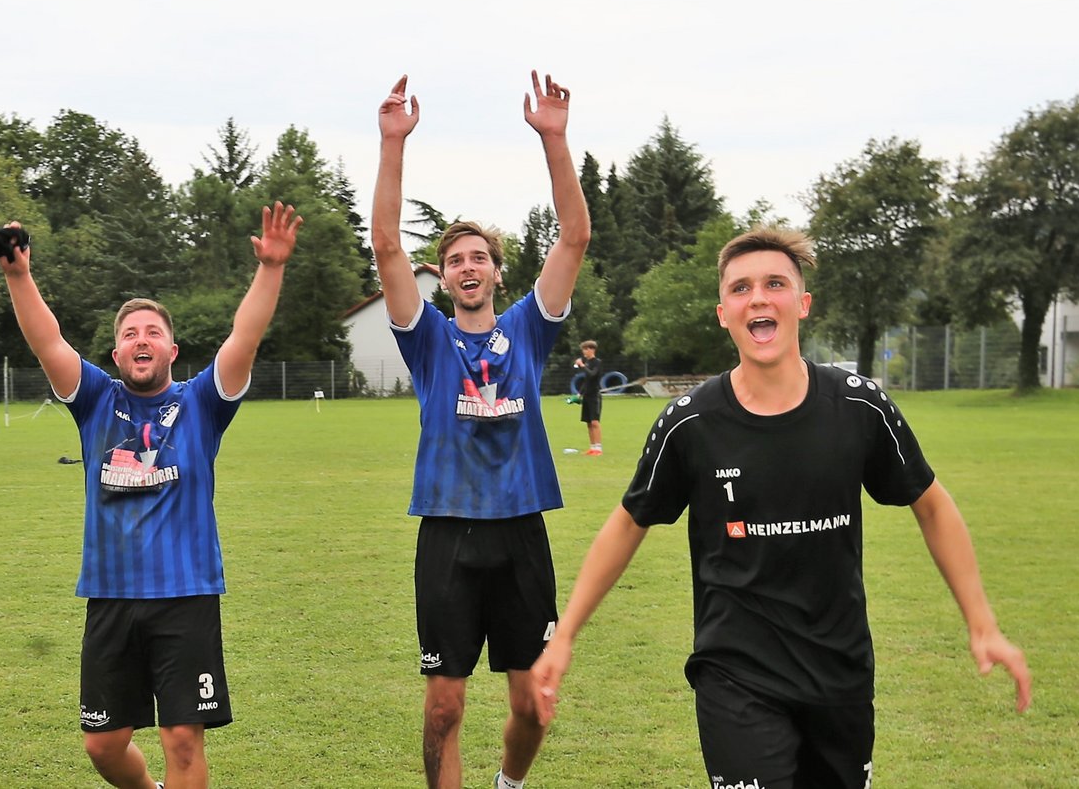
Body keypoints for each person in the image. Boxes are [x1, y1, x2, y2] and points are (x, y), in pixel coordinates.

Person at [530, 227, 1032, 787]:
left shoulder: (859, 405)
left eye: (775, 284)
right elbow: (629, 522)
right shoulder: (690, 422)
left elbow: (932, 506)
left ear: (803, 303)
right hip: (736, 675)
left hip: (839, 677)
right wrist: (567, 634)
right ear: (724, 313)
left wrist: (982, 623)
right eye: (741, 288)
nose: (759, 298)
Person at [1, 201, 301, 789]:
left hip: (185, 597)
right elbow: (48, 341)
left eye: (153, 333)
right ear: (116, 356)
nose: (142, 339)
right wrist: (19, 275)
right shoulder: (94, 400)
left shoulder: (201, 404)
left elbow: (244, 337)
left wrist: (269, 269)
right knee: (103, 744)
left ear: (171, 351)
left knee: (183, 740)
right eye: (130, 334)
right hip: (109, 597)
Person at [371, 73, 589, 789]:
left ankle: (508, 783)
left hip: (522, 532)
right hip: (449, 536)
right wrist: (392, 143)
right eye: (456, 259)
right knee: (444, 707)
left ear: (498, 272)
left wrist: (554, 139)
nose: (468, 267)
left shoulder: (527, 329)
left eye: (480, 258)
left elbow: (576, 236)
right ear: (446, 276)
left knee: (532, 704)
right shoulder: (427, 340)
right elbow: (385, 248)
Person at [572, 340, 603, 455]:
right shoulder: (588, 363)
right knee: (588, 423)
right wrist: (579, 393)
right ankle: (592, 447)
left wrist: (582, 365)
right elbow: (587, 381)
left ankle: (598, 448)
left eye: (585, 349)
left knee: (595, 422)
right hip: (587, 396)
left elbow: (592, 375)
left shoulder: (597, 362)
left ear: (592, 349)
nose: (584, 352)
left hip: (595, 396)